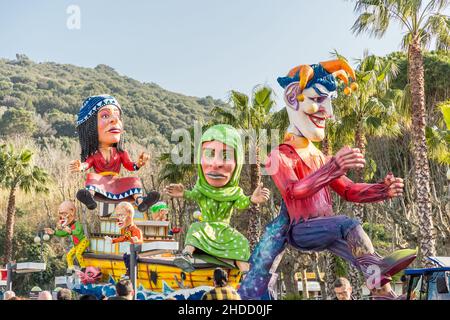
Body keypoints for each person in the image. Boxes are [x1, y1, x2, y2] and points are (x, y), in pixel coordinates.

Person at [238, 60, 417, 300]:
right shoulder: (279, 155)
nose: (328, 112)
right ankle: (377, 270)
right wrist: (333, 167)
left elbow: (349, 190)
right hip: (302, 230)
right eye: (318, 100)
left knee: (363, 257)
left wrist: (381, 190)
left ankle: (384, 293)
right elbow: (293, 191)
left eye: (329, 102)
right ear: (293, 98)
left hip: (328, 227)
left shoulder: (318, 156)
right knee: (349, 226)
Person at [165, 124, 270, 273]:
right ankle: (186, 256)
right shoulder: (201, 189)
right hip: (206, 228)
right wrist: (183, 193)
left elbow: (241, 203)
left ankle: (247, 275)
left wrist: (252, 199)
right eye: (209, 154)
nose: (216, 163)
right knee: (195, 229)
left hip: (224, 231)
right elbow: (193, 194)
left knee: (241, 242)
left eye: (226, 156)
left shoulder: (234, 191)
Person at [70, 94, 159, 212]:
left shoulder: (121, 152)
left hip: (117, 183)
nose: (115, 119)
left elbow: (129, 165)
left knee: (134, 180)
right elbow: (87, 164)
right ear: (89, 128)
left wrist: (138, 164)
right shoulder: (95, 154)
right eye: (105, 115)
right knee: (92, 177)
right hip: (101, 184)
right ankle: (89, 197)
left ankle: (141, 201)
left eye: (117, 115)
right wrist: (81, 166)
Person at [44, 201, 89, 273]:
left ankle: (84, 268)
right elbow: (63, 233)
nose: (63, 217)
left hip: (83, 241)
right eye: (61, 214)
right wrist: (54, 232)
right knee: (69, 255)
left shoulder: (77, 224)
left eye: (65, 214)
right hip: (77, 245)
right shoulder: (69, 226)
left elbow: (78, 231)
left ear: (72, 212)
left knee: (78, 254)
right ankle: (71, 268)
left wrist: (70, 231)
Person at [105, 202, 143, 278]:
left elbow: (140, 240)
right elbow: (124, 238)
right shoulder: (128, 230)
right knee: (125, 256)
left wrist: (137, 241)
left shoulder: (136, 230)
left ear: (129, 215)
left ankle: (131, 272)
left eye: (122, 215)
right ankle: (129, 270)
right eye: (118, 216)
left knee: (129, 256)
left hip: (136, 250)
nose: (119, 219)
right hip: (132, 250)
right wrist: (113, 240)